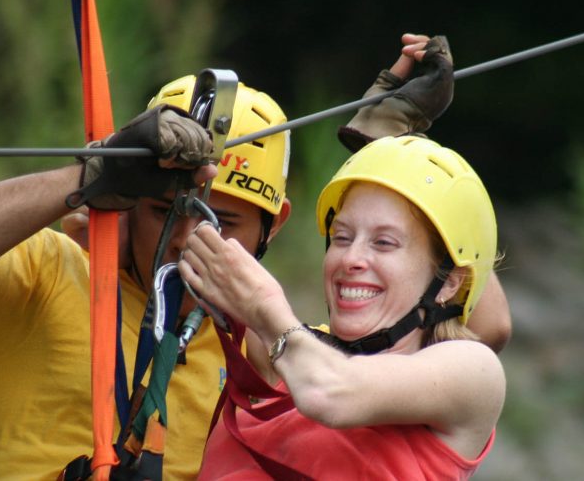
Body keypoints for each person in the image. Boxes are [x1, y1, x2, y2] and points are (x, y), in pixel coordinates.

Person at [0, 34, 509, 480]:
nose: (188, 240)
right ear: (127, 200)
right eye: (163, 210)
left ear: (273, 229)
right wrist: (90, 175)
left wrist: (389, 151)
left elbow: (465, 322)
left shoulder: (259, 338)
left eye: (218, 221)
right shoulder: (45, 272)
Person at [179, 135, 505, 479]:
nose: (350, 258)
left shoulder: (472, 371)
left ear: (450, 281)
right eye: (342, 237)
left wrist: (263, 307)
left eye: (384, 242)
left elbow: (328, 391)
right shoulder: (286, 355)